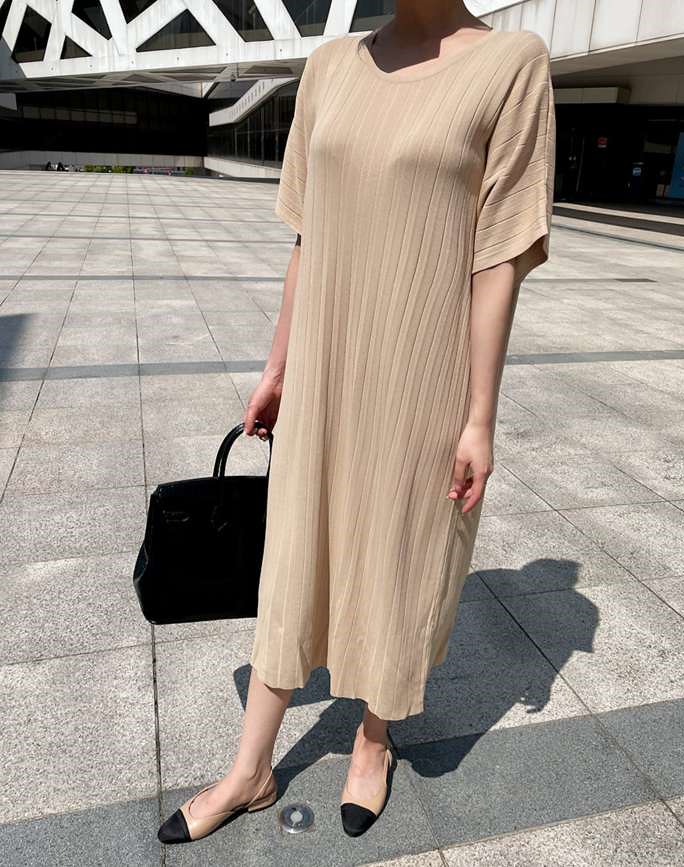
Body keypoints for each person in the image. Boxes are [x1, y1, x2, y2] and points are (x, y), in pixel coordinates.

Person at [158, 0, 555, 845]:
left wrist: (479, 417)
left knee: (400, 555)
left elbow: (499, 257)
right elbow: (308, 239)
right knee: (293, 558)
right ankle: (250, 767)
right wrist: (277, 369)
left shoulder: (511, 63)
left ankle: (374, 740)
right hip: (326, 371)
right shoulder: (331, 67)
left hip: (422, 375)